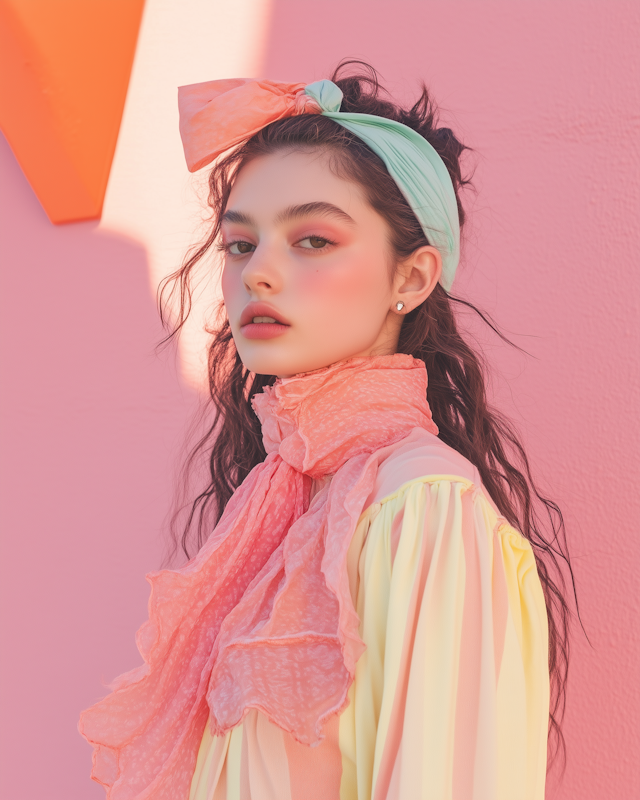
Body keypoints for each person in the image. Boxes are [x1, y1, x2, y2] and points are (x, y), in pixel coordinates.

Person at [79, 61, 573, 800]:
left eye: (312, 240)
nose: (260, 275)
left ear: (411, 279)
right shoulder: (281, 503)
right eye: (241, 245)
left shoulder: (421, 505)